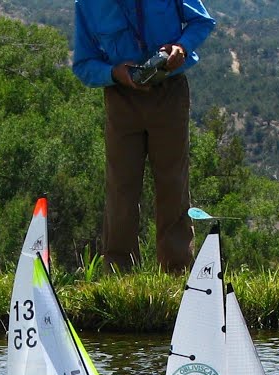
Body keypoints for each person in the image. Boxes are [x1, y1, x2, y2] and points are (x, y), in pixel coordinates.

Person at [73, 0, 216, 274]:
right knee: (121, 187)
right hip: (120, 98)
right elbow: (83, 64)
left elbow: (202, 22)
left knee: (173, 182)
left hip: (170, 91)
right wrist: (114, 73)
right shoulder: (88, 4)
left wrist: (181, 47)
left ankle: (177, 271)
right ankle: (119, 274)